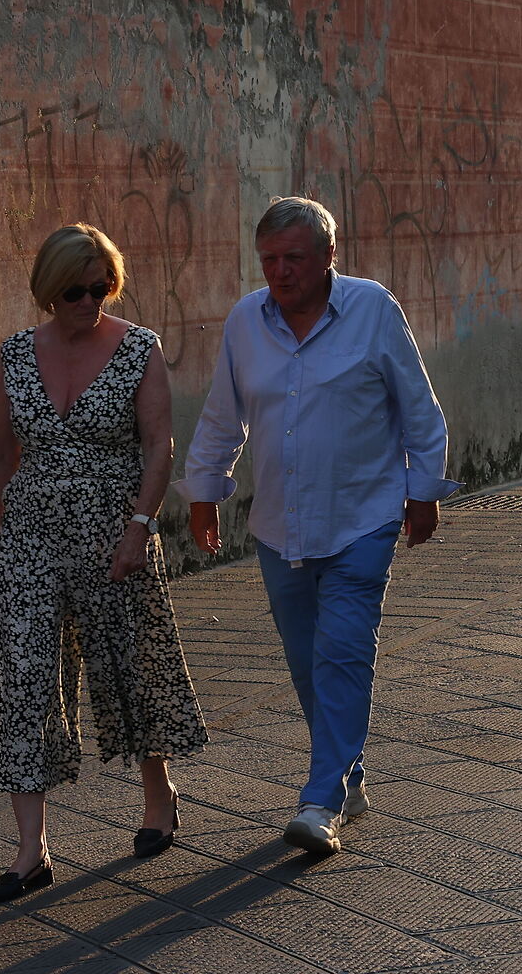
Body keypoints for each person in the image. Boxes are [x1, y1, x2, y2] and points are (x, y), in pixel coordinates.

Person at [186, 196, 457, 860]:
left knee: (342, 653)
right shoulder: (246, 322)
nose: (280, 272)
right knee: (309, 663)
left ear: (330, 255)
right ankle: (350, 775)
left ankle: (321, 800)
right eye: (270, 260)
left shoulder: (372, 312)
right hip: (281, 524)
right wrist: (203, 491)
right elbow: (224, 415)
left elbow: (420, 412)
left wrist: (423, 494)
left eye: (294, 259)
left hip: (363, 516)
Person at [0, 224, 206, 904]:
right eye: (76, 290)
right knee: (24, 677)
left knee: (126, 666)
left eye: (103, 287)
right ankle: (30, 850)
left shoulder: (137, 348)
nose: (90, 300)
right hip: (31, 535)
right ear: (48, 290)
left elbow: (159, 444)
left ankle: (159, 796)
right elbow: (0, 457)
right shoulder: (14, 354)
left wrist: (138, 528)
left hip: (113, 533)